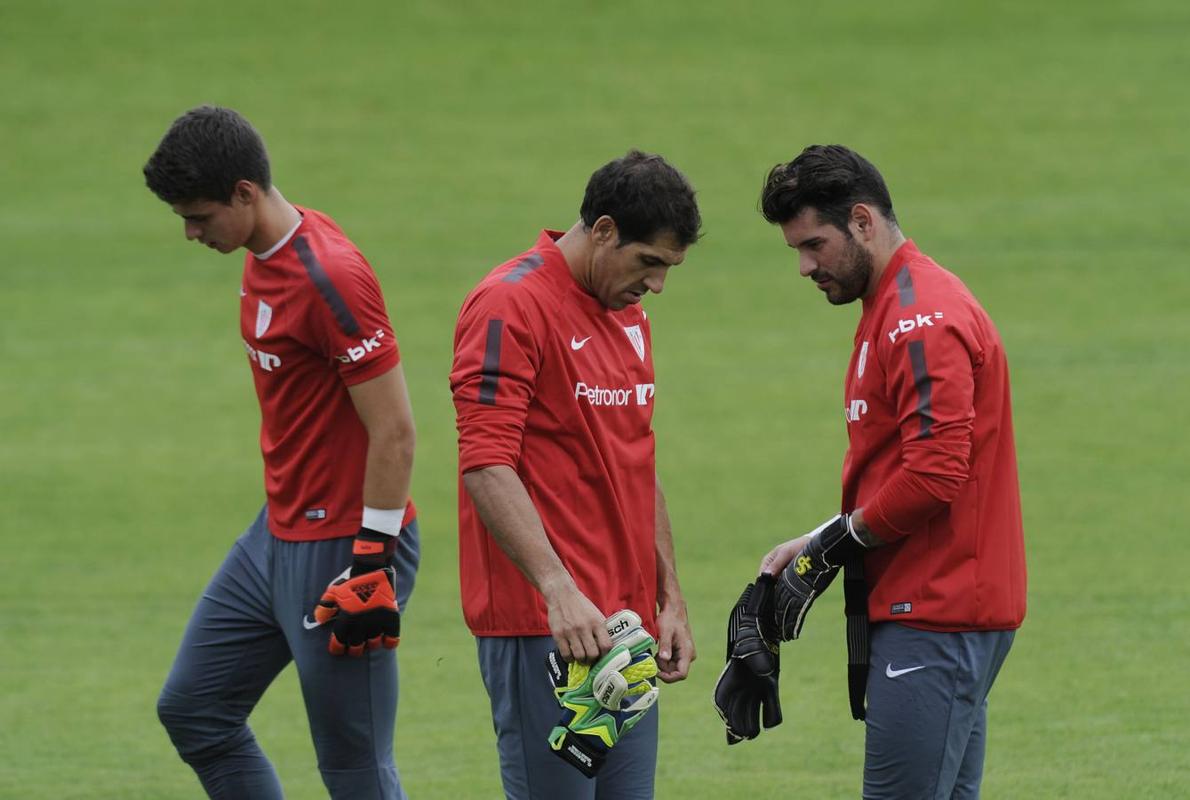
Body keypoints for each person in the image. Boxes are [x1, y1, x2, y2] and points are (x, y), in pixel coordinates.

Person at [719, 144, 1026, 799]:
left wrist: (831, 548)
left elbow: (936, 475)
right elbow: (904, 470)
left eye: (814, 245)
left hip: (937, 613)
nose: (804, 267)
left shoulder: (920, 319)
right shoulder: (890, 307)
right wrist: (818, 540)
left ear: (862, 221)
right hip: (933, 609)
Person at [144, 105, 420, 800]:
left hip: (343, 547)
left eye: (199, 216)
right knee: (194, 711)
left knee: (354, 767)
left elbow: (395, 430)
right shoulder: (263, 253)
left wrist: (371, 560)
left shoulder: (331, 277)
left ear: (245, 193)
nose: (189, 232)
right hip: (276, 534)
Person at [450, 150, 702, 800]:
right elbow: (486, 463)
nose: (658, 285)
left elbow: (634, 464)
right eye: (649, 263)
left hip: (624, 631)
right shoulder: (510, 306)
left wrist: (668, 596)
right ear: (605, 230)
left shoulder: (629, 317)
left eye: (669, 269)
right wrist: (557, 589)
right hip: (546, 629)